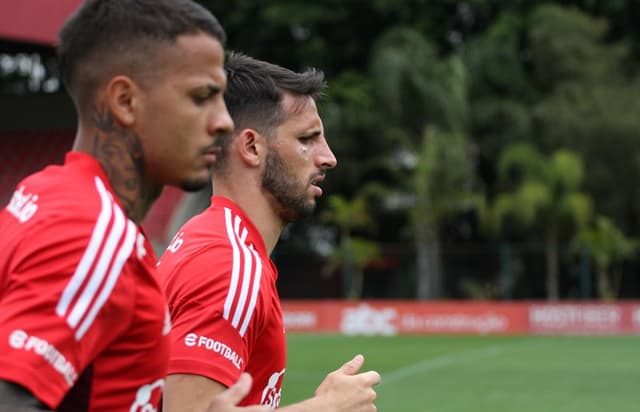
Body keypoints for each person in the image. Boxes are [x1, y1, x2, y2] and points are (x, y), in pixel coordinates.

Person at [0, 1, 269, 411]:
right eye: (201, 97)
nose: (224, 121)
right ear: (125, 102)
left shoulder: (47, 194)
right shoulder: (96, 235)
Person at [159, 52, 381, 412]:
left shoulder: (208, 238)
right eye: (307, 138)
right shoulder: (229, 267)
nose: (328, 157)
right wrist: (324, 409)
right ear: (251, 147)